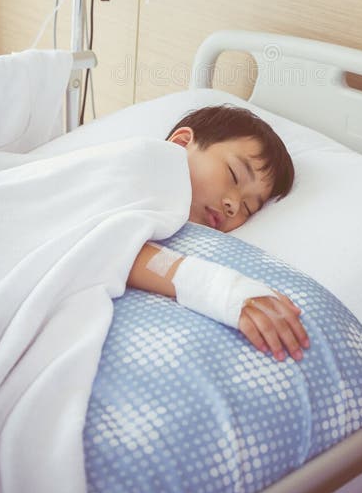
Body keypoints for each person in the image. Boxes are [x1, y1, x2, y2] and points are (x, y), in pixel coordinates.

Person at [125, 104, 309, 363]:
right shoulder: (132, 163)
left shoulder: (174, 228)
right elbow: (107, 246)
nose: (233, 205)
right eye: (234, 175)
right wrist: (222, 290)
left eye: (248, 207)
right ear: (181, 142)